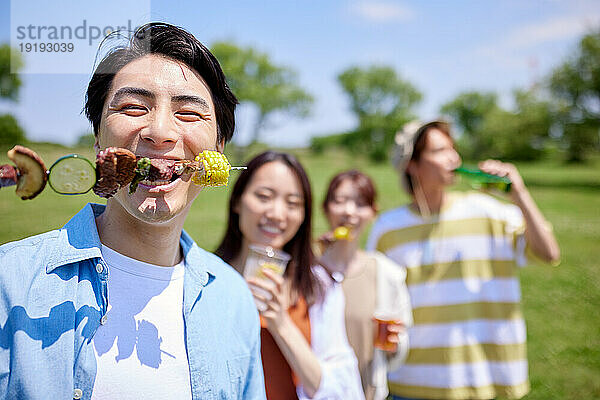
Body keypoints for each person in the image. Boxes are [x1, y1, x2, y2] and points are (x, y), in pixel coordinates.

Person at [0, 23, 265, 399]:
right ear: (98, 141)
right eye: (133, 107)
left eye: (189, 113)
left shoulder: (234, 300)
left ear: (218, 148)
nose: (160, 131)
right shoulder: (8, 284)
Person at [367, 120, 561, 400]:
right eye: (440, 150)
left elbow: (549, 253)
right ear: (412, 164)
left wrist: (519, 193)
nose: (454, 157)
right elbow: (376, 301)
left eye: (453, 148)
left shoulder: (489, 212)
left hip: (483, 378)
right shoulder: (388, 228)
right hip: (412, 381)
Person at [215, 151, 364, 400]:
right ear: (237, 201)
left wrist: (280, 323)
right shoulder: (205, 279)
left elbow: (339, 389)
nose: (276, 213)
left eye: (293, 203)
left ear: (304, 215)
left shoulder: (319, 286)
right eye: (264, 196)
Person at [318, 170, 413, 400]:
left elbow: (400, 346)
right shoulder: (309, 271)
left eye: (360, 204)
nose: (349, 212)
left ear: (373, 213)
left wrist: (394, 343)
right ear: (325, 208)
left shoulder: (387, 273)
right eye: (339, 201)